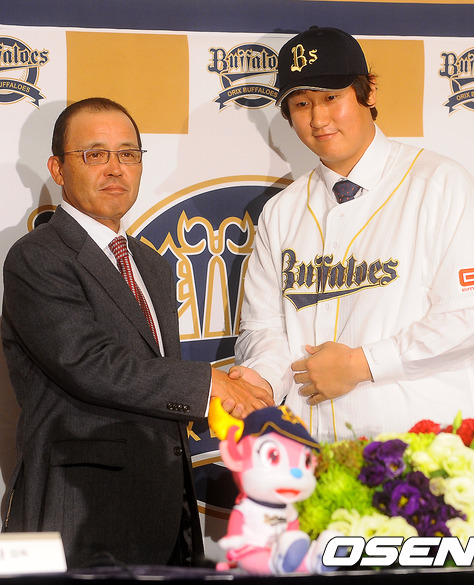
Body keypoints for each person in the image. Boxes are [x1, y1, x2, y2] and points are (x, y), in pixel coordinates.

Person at [1, 97, 273, 569]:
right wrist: (210, 384)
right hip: (80, 509)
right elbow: (89, 364)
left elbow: (154, 380)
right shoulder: (37, 256)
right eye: (95, 154)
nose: (115, 168)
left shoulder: (150, 262)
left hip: (168, 509)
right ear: (58, 169)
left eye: (128, 154)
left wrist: (225, 399)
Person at [231, 26, 474, 443]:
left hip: (427, 454)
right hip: (318, 453)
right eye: (302, 103)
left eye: (331, 98)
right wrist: (262, 379)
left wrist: (364, 364)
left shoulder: (439, 183)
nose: (318, 119)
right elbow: (264, 328)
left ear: (368, 92)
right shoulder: (282, 212)